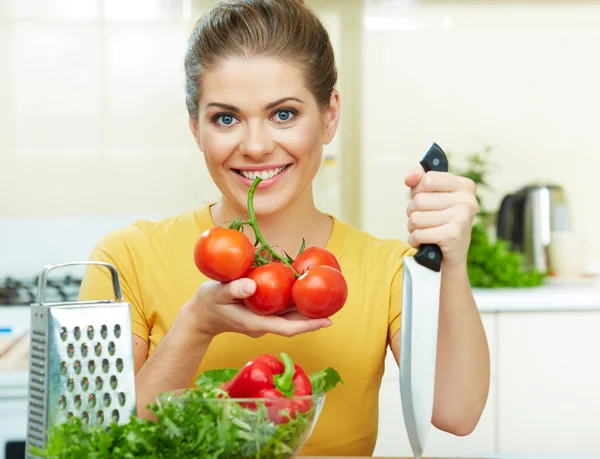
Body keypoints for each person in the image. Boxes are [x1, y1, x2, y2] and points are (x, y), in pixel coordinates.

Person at [79, 0, 490, 455]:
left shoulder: (386, 269)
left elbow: (458, 412)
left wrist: (451, 261)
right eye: (226, 118)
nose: (255, 146)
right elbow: (96, 445)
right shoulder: (126, 259)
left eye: (284, 114)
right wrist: (194, 327)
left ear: (329, 115)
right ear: (196, 127)